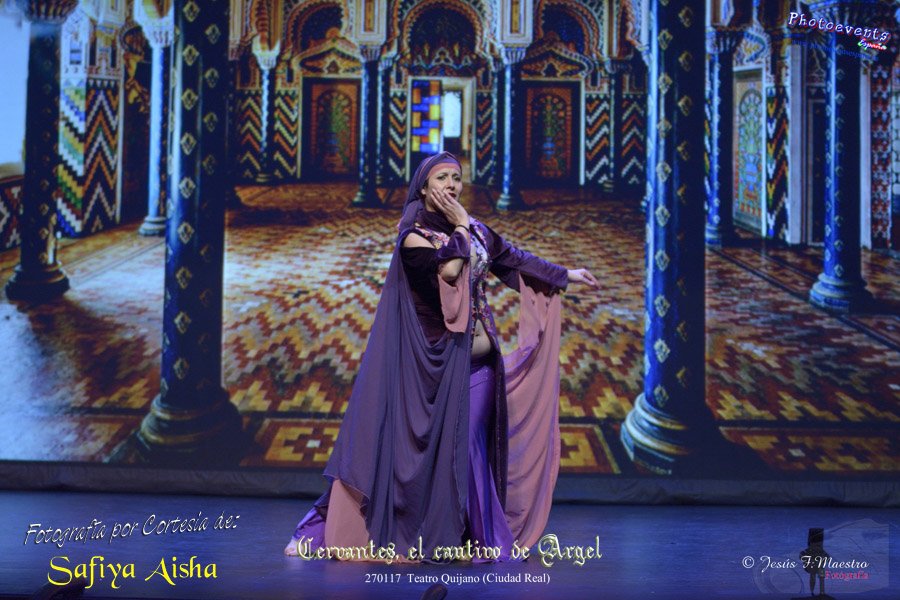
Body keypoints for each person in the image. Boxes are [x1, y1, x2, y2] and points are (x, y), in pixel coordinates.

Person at [284, 151, 598, 562]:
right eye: (442, 178)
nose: (452, 185)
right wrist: (462, 224)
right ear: (424, 188)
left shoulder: (476, 229)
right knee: (402, 455)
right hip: (432, 368)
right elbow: (450, 271)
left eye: (457, 178)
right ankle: (321, 530)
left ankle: (486, 539)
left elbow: (513, 259)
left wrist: (565, 275)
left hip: (479, 365)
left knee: (469, 447)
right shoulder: (412, 238)